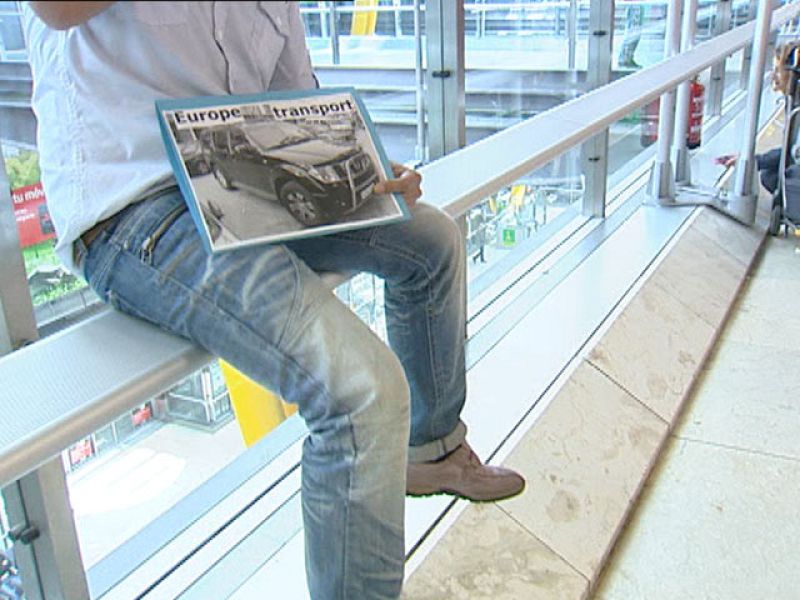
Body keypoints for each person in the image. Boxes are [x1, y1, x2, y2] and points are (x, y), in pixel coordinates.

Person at [22, 3, 525, 599]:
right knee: (362, 391)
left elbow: (296, 99)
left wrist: (366, 170)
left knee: (431, 240)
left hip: (248, 180)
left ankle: (433, 450)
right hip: (137, 208)